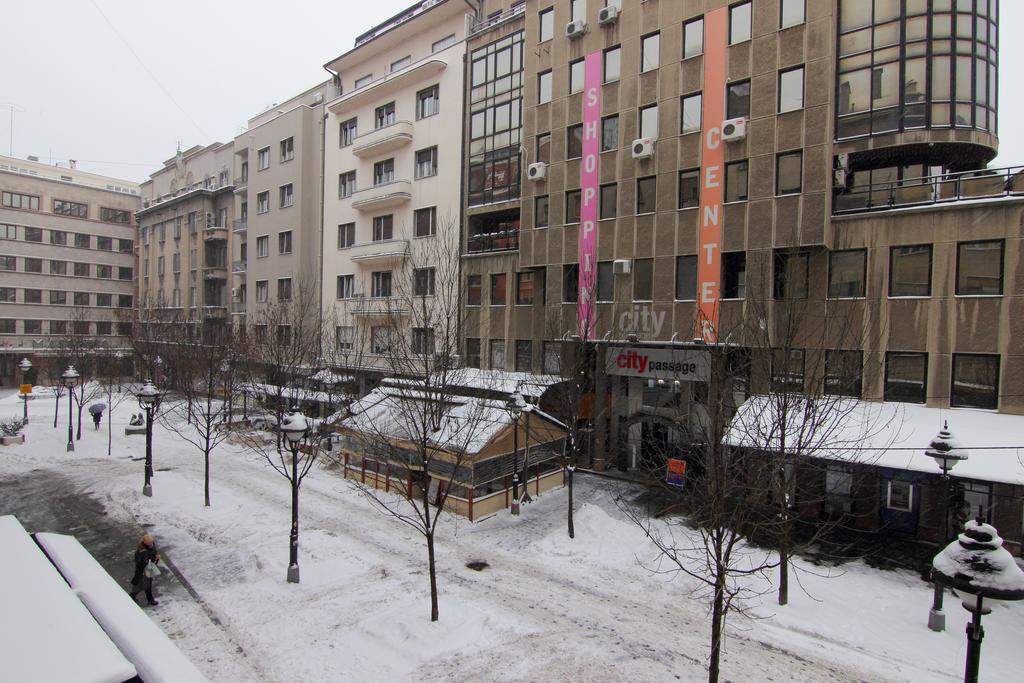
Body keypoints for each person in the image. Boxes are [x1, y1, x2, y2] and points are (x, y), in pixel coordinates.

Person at [128, 534, 161, 606]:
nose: (151, 544)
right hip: (142, 572)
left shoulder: (152, 546)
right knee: (140, 586)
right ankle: (132, 595)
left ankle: (150, 600)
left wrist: (156, 558)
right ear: (145, 542)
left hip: (149, 570)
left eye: (152, 542)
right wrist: (149, 561)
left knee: (148, 585)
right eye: (149, 543)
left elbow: (154, 555)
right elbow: (139, 563)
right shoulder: (140, 551)